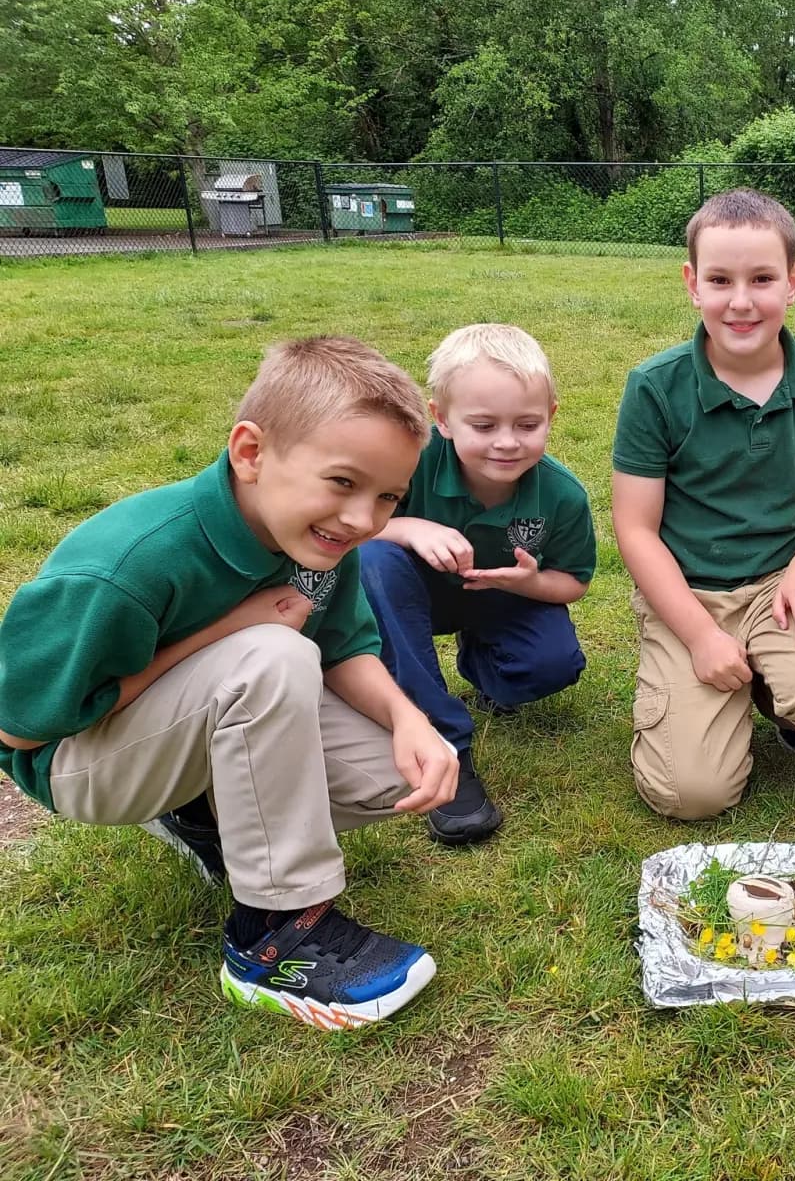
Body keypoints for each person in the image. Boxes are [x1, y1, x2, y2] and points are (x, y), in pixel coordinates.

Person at [0, 337, 459, 1028]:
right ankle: (271, 938)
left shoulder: (321, 542)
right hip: (77, 763)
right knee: (273, 657)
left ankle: (201, 811)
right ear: (250, 453)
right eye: (342, 482)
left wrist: (410, 720)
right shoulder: (128, 564)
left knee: (392, 774)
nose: (364, 519)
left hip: (183, 719)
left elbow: (343, 650)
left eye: (388, 496)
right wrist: (230, 629)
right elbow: (19, 725)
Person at [611, 188, 795, 820]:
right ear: (692, 283)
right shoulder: (655, 387)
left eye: (762, 278)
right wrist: (701, 635)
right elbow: (634, 529)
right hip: (688, 591)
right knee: (690, 796)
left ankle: (777, 685)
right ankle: (706, 681)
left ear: (793, 281)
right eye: (720, 280)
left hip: (780, 585)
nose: (741, 301)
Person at [360, 324, 593, 845]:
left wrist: (529, 582)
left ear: (551, 416)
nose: (507, 443)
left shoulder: (563, 496)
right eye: (483, 425)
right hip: (407, 596)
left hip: (500, 597)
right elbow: (346, 527)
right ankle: (442, 746)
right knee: (374, 557)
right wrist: (408, 527)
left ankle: (484, 668)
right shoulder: (409, 465)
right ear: (440, 419)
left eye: (527, 424)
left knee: (552, 665)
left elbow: (573, 582)